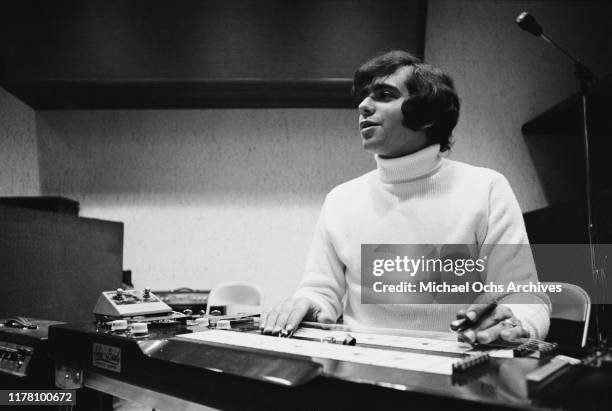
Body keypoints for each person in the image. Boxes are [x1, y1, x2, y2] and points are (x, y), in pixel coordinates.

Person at [261, 50, 550, 344]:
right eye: (363, 97)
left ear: (428, 115)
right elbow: (320, 292)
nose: (363, 106)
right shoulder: (340, 199)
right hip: (359, 368)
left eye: (384, 95)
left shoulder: (486, 188)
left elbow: (525, 297)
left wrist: (518, 323)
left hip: (458, 367)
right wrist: (308, 303)